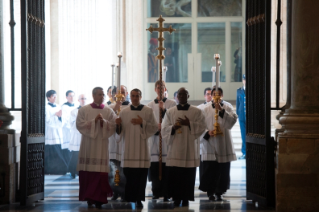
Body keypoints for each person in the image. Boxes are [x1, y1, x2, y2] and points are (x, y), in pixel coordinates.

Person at [162, 87, 206, 207]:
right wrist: (173, 128)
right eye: (179, 94)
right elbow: (164, 128)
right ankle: (176, 198)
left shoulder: (196, 111)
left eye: (184, 94)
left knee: (188, 175)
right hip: (175, 148)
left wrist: (189, 124)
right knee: (176, 175)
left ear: (188, 96)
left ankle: (186, 198)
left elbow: (203, 126)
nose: (181, 96)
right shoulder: (170, 112)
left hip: (190, 149)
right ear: (176, 97)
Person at [115, 88, 158, 208]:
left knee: (141, 176)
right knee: (129, 175)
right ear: (130, 97)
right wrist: (117, 125)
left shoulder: (148, 111)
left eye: (137, 96)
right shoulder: (124, 111)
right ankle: (129, 197)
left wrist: (142, 122)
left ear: (140, 96)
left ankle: (139, 199)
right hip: (128, 148)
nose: (135, 98)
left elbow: (154, 127)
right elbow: (119, 132)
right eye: (133, 96)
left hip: (142, 148)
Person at [76, 87, 117, 208]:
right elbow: (79, 124)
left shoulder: (109, 111)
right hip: (88, 145)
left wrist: (103, 122)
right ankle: (89, 197)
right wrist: (94, 121)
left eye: (103, 94)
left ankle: (99, 198)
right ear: (93, 95)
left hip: (102, 145)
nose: (102, 96)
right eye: (100, 94)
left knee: (100, 172)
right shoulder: (84, 110)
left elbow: (114, 125)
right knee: (89, 172)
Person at [199, 86, 237, 201]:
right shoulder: (204, 108)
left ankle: (220, 191)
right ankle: (210, 192)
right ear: (211, 95)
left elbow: (232, 121)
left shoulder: (228, 106)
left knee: (222, 169)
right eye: (214, 94)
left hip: (223, 142)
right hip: (209, 143)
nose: (216, 96)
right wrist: (206, 132)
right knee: (210, 169)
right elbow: (199, 125)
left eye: (219, 94)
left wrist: (221, 110)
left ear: (222, 95)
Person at [147, 80, 176, 201]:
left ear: (165, 89)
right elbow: (148, 122)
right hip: (154, 139)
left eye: (162, 87)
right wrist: (155, 127)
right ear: (155, 89)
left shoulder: (172, 103)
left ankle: (167, 192)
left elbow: (173, 120)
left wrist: (163, 110)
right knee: (154, 167)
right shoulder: (149, 105)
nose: (160, 89)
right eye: (158, 87)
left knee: (167, 167)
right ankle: (156, 191)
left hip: (167, 140)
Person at [108, 85, 130, 201]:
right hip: (114, 144)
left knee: (126, 171)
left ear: (126, 94)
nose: (120, 95)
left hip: (127, 143)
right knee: (115, 170)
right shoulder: (110, 107)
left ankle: (126, 192)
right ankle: (115, 191)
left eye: (123, 92)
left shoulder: (131, 107)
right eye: (118, 92)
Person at [44, 90, 67, 174]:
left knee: (58, 150)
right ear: (48, 97)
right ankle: (49, 170)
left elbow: (62, 119)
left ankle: (59, 170)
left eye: (56, 96)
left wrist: (60, 117)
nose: (55, 97)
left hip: (58, 131)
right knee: (51, 151)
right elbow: (47, 120)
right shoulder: (46, 107)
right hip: (50, 132)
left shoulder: (58, 106)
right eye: (53, 96)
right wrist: (55, 115)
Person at [68, 94, 87, 178]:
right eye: (82, 99)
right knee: (76, 154)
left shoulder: (89, 111)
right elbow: (71, 124)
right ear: (78, 100)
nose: (83, 100)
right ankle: (73, 171)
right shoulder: (74, 111)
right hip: (77, 135)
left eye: (85, 99)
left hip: (86, 135)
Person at [197, 87, 213, 184]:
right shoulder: (200, 108)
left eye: (211, 94)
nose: (209, 96)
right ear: (204, 96)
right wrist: (207, 132)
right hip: (205, 139)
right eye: (207, 94)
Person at [61, 90, 76, 170]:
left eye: (73, 96)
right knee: (68, 150)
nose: (72, 97)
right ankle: (68, 168)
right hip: (67, 131)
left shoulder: (76, 106)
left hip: (75, 132)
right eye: (70, 96)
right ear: (66, 97)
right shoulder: (64, 107)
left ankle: (73, 168)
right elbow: (65, 119)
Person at [236, 74, 246, 159]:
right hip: (242, 116)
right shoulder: (239, 91)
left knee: (248, 134)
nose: (245, 81)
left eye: (246, 79)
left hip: (249, 117)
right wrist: (237, 114)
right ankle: (244, 152)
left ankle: (246, 151)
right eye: (244, 79)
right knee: (243, 135)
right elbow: (237, 103)